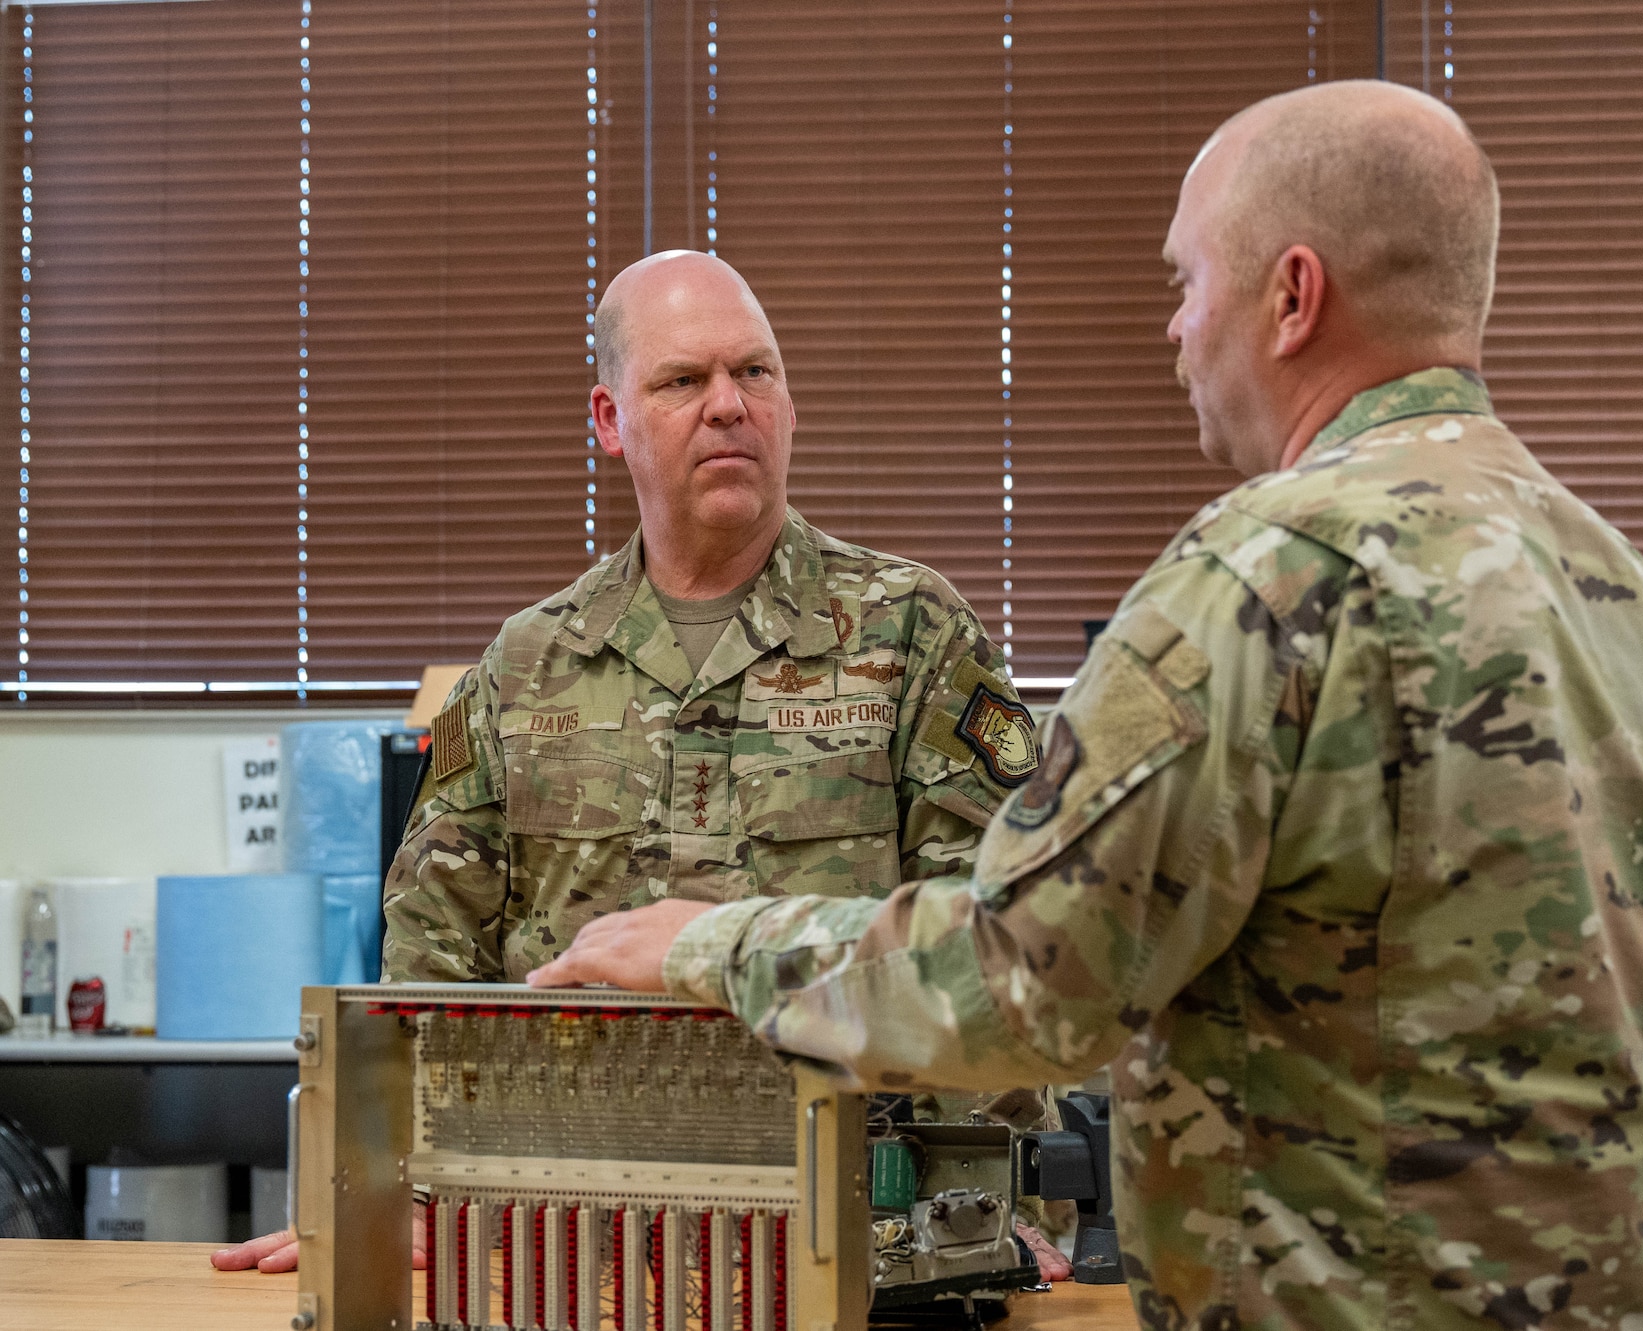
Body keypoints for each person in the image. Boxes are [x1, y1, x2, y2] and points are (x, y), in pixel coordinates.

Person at [528, 81, 1643, 1330]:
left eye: (1185, 280)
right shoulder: (1622, 587)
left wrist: (700, 945)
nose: (1173, 328)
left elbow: (1022, 978)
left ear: (1291, 296)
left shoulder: (1261, 581)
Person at [213, 250, 1050, 1276]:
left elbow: (996, 928)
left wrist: (989, 1216)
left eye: (756, 372)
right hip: (565, 1244)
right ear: (608, 420)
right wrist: (394, 1191)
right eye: (682, 380)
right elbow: (430, 959)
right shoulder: (525, 665)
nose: (728, 406)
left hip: (852, 1242)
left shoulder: (911, 630)